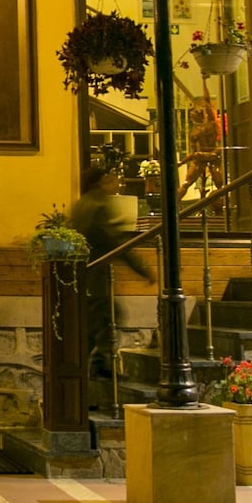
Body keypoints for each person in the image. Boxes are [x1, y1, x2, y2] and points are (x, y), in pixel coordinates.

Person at [69, 161, 154, 398]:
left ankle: (83, 381)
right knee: (110, 319)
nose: (111, 185)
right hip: (96, 278)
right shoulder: (98, 207)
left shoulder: (79, 206)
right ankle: (101, 367)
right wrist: (143, 269)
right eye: (107, 181)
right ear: (98, 183)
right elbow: (113, 243)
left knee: (91, 328)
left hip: (82, 277)